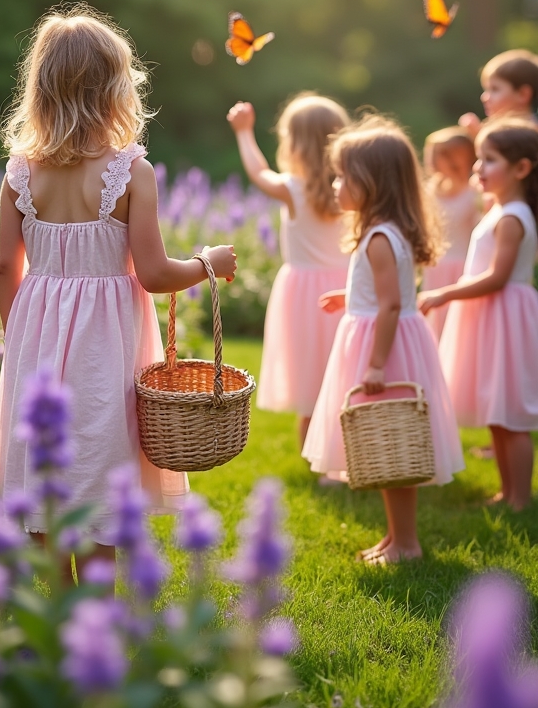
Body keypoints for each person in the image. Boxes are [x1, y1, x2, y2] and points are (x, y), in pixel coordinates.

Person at [0, 5, 237, 574]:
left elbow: (6, 266)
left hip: (35, 340)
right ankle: (91, 625)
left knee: (44, 476)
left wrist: (20, 332)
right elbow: (153, 273)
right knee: (99, 468)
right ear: (113, 90)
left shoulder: (19, 171)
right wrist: (207, 262)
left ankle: (47, 624)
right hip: (105, 345)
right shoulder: (131, 172)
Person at [302, 115, 464, 564]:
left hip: (384, 348)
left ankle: (407, 543)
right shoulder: (388, 232)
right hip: (387, 336)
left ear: (370, 182)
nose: (335, 184)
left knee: (394, 445)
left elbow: (391, 304)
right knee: (388, 448)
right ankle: (396, 538)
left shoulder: (377, 237)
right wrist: (350, 297)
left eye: (342, 176)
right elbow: (384, 294)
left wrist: (376, 364)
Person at [419, 118, 538, 512]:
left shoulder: (512, 216)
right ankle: (508, 492)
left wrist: (444, 293)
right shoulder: (500, 207)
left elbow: (498, 276)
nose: (477, 168)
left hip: (505, 316)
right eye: (478, 159)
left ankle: (520, 498)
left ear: (521, 169)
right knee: (496, 409)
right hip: (491, 317)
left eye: (489, 160)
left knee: (513, 415)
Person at [227, 93, 350, 448]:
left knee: (311, 378)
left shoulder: (293, 188)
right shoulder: (352, 189)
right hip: (345, 290)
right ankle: (348, 454)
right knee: (341, 373)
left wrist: (244, 132)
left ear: (294, 143)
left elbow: (257, 171)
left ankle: (316, 457)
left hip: (306, 294)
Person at [421, 128, 480, 339]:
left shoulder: (475, 193)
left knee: (458, 329)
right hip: (435, 267)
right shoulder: (429, 191)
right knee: (434, 327)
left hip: (462, 267)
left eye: (439, 155)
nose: (432, 161)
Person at [459, 48, 538, 139]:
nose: (484, 97)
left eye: (495, 89)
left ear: (522, 94)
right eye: (486, 89)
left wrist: (479, 135)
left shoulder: (531, 132)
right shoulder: (491, 127)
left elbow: (507, 150)